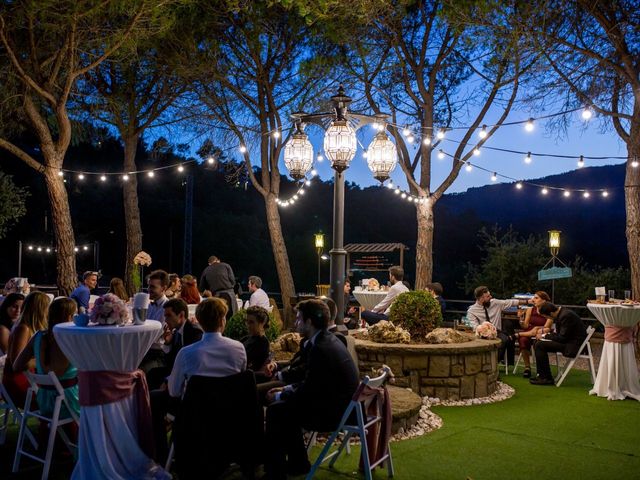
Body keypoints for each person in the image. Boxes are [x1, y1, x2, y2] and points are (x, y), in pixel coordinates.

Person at [263, 299, 359, 479]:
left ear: (309, 322)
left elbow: (309, 390)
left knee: (277, 410)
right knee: (285, 407)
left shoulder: (321, 348)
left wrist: (280, 395)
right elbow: (314, 382)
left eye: (299, 319)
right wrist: (286, 390)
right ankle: (298, 463)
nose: (296, 322)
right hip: (342, 406)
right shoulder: (328, 339)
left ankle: (275, 472)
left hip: (333, 414)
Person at [13, 297, 80, 420]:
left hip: (44, 401)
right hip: (70, 401)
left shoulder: (38, 336)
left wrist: (39, 361)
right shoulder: (71, 338)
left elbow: (16, 365)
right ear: (70, 317)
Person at [167, 297, 246, 397]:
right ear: (222, 321)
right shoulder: (239, 349)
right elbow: (241, 383)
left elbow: (174, 391)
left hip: (196, 410)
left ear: (199, 322)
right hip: (230, 408)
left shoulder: (185, 353)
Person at [2, 291, 49, 407]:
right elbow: (17, 364)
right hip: (17, 384)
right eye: (47, 307)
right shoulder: (24, 328)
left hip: (28, 378)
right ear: (40, 309)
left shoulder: (25, 326)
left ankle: (50, 423)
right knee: (57, 397)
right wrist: (43, 360)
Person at [466, 286, 530, 367]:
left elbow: (511, 302)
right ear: (481, 298)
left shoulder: (495, 303)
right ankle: (486, 364)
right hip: (482, 334)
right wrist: (483, 329)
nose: (491, 297)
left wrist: (528, 301)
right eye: (488, 296)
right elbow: (474, 326)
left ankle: (493, 365)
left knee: (504, 339)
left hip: (497, 332)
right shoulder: (472, 311)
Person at [530, 302, 587, 385]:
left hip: (572, 346)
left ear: (551, 313)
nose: (547, 319)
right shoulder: (562, 313)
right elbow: (561, 335)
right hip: (569, 342)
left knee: (540, 345)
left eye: (546, 317)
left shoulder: (565, 316)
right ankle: (542, 375)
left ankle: (546, 378)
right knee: (537, 342)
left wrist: (544, 336)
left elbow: (562, 337)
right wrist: (544, 336)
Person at [139, 270, 170, 386]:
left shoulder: (167, 308)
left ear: (163, 288)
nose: (148, 289)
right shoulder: (150, 305)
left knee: (137, 373)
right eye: (148, 285)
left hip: (158, 354)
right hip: (145, 351)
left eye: (152, 286)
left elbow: (157, 337)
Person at [513, 291, 552, 378]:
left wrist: (537, 330)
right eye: (533, 298)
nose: (533, 300)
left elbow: (546, 327)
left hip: (540, 333)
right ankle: (527, 367)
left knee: (537, 342)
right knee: (523, 340)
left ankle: (541, 369)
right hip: (528, 332)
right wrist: (520, 318)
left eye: (536, 298)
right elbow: (525, 326)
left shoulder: (549, 312)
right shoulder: (530, 310)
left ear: (544, 300)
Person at [240, 306, 271, 372]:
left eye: (251, 322)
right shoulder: (246, 338)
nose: (248, 325)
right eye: (247, 321)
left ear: (262, 323)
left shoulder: (263, 343)